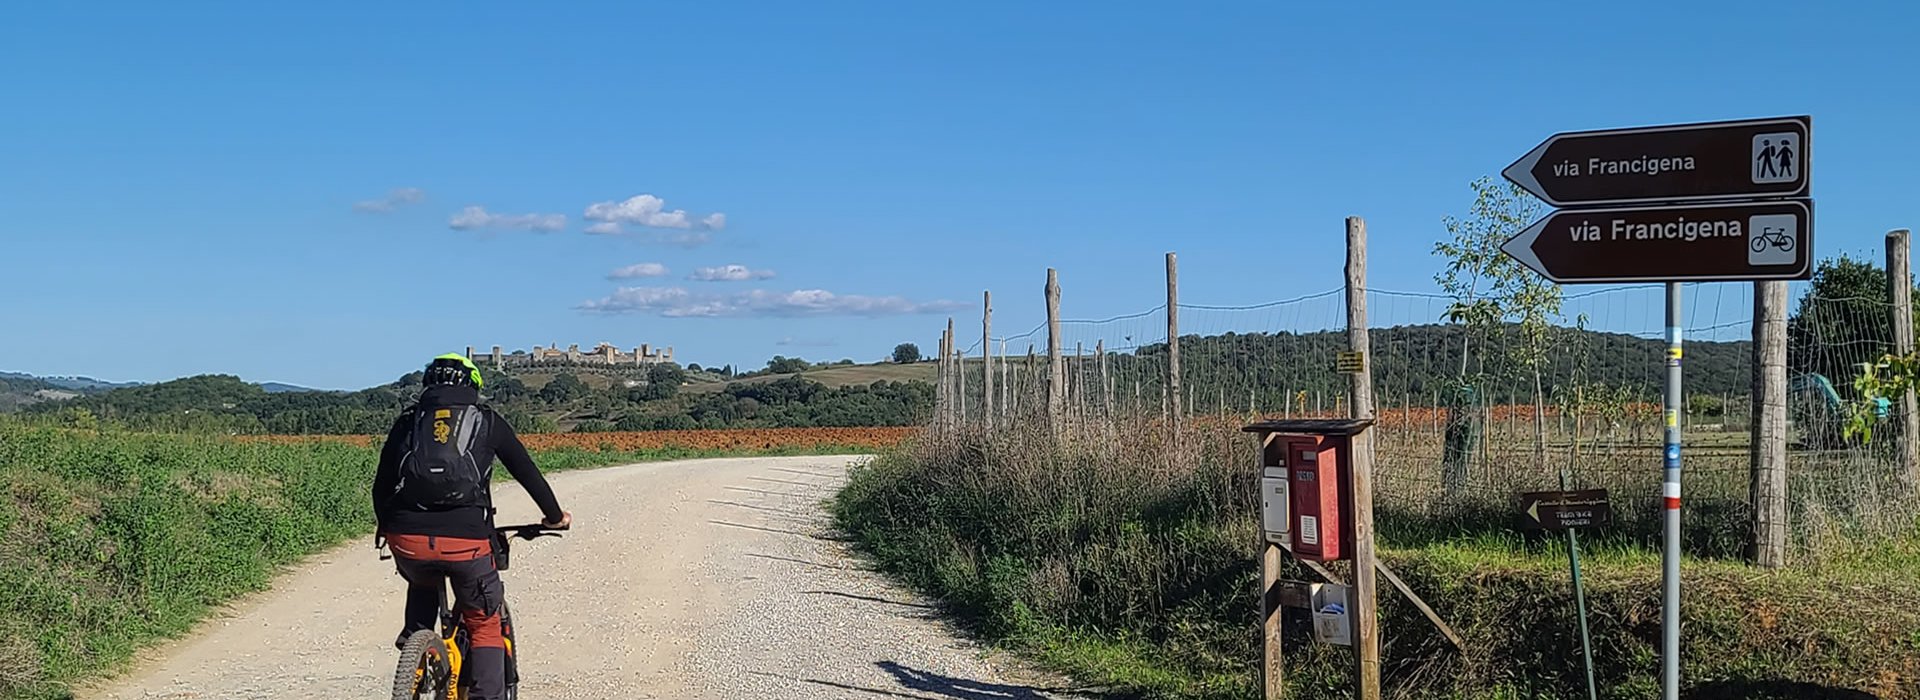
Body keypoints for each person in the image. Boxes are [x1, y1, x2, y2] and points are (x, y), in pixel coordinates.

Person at [372, 353, 570, 700]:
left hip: (407, 538)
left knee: (422, 579)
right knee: (484, 625)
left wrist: (388, 526)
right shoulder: (487, 420)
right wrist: (554, 517)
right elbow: (528, 474)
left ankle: (416, 646)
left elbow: (381, 485)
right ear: (474, 387)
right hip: (466, 541)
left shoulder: (408, 421)